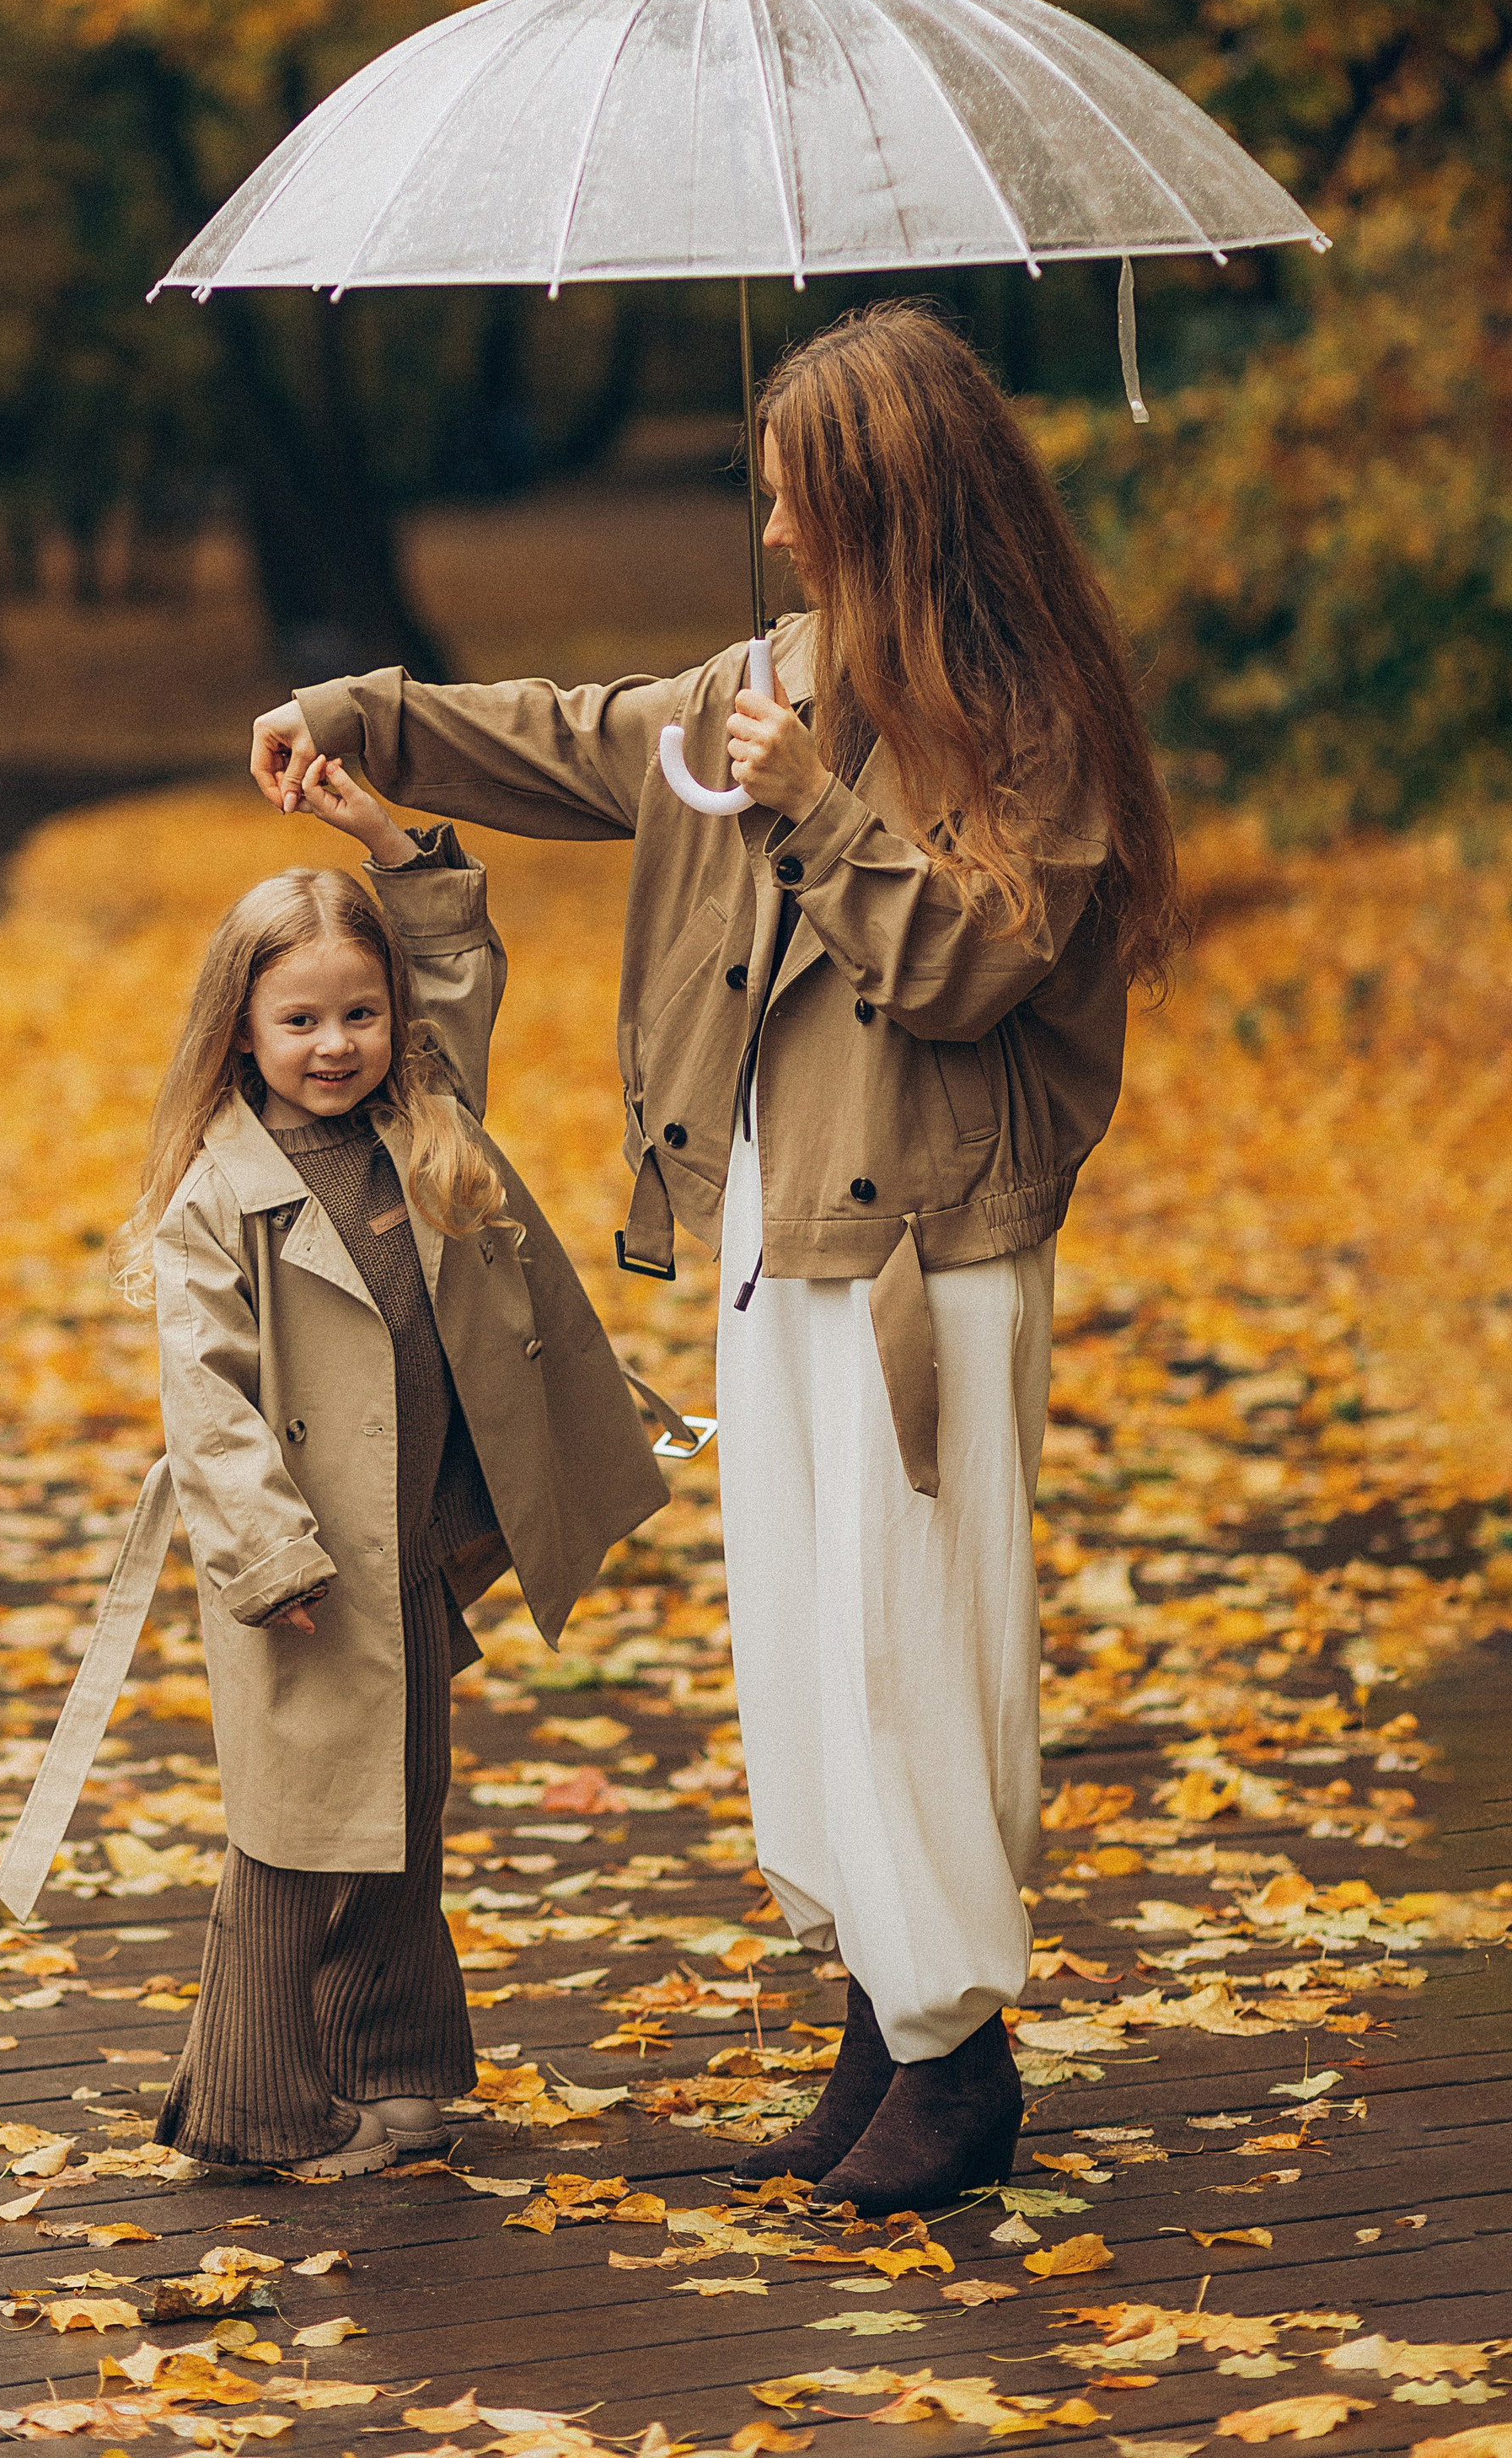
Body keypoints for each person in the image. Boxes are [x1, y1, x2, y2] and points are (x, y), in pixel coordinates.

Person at [251, 301, 1182, 2214]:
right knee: (803, 1643)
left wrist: (805, 803)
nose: (769, 537)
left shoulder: (1027, 718)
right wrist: (360, 718)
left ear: (879, 504)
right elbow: (575, 740)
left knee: (909, 1642)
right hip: (776, 1231)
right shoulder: (764, 680)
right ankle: (879, 2010)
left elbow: (961, 964)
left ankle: (956, 2052)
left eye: (792, 503)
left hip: (927, 1257)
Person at [112, 758, 668, 2179]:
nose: (334, 1044)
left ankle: (402, 2073)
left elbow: (460, 967)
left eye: (361, 1013)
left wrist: (391, 844)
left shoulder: (425, 1128)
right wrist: (268, 1558)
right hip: (300, 1563)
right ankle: (252, 2104)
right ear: (239, 1031)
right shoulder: (214, 1201)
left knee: (403, 1816)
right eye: (298, 1019)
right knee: (293, 1839)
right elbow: (211, 1405)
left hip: (407, 1543)